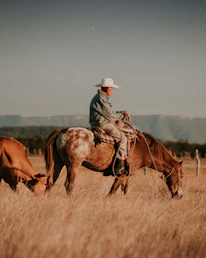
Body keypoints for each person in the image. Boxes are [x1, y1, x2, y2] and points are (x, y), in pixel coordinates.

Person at [89, 78, 131, 176]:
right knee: (123, 139)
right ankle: (119, 167)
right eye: (111, 88)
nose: (111, 91)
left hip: (100, 121)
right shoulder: (101, 98)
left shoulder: (100, 97)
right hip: (102, 124)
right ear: (107, 88)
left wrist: (120, 113)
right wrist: (121, 115)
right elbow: (109, 114)